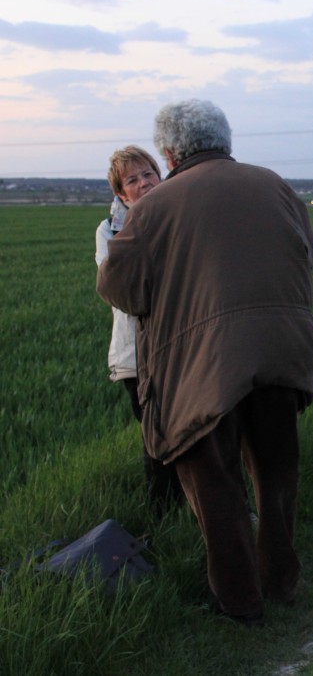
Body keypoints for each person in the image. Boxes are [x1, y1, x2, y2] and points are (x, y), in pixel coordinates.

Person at [96, 99, 313, 626]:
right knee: (277, 472)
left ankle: (240, 602)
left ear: (170, 152)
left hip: (202, 367)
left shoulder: (152, 208)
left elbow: (119, 288)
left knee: (214, 485)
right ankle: (282, 580)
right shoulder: (277, 186)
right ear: (226, 139)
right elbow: (305, 251)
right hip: (283, 351)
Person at [95, 146, 184, 513]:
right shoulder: (110, 230)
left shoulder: (181, 214)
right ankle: (164, 518)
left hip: (183, 346)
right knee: (155, 438)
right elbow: (121, 290)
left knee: (198, 432)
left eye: (148, 173)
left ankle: (211, 512)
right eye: (132, 179)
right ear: (121, 193)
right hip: (136, 354)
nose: (144, 182)